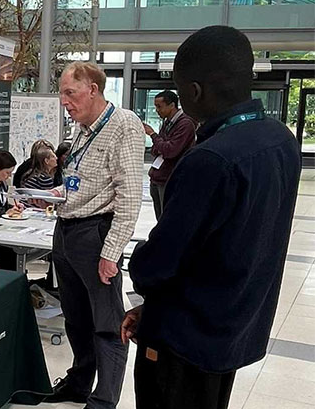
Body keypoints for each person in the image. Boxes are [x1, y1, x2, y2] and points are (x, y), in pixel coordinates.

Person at [122, 26, 302, 409]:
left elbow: (162, 261)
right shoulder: (280, 139)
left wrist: (137, 266)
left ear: (195, 91)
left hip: (184, 342)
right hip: (233, 328)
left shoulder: (210, 160)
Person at [42, 61, 144, 409]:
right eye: (62, 95)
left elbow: (130, 196)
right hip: (67, 229)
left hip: (95, 233)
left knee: (106, 323)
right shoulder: (82, 129)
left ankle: (104, 400)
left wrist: (111, 252)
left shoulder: (123, 125)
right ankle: (79, 383)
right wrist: (53, 196)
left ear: (93, 90)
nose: (64, 102)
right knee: (75, 318)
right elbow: (82, 182)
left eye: (70, 93)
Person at [143, 90, 197, 218]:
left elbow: (170, 150)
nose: (156, 110)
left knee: (167, 217)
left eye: (159, 106)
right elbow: (156, 150)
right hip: (157, 176)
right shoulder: (167, 122)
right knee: (159, 215)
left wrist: (152, 134)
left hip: (169, 178)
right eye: (155, 106)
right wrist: (160, 144)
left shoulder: (185, 124)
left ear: (172, 105)